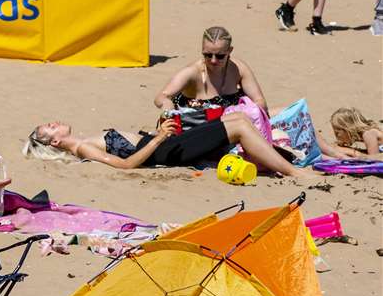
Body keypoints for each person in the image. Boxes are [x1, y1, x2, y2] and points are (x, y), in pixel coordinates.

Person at [24, 117, 318, 181]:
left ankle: (274, 166)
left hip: (164, 145)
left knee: (237, 121)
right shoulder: (85, 149)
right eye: (48, 128)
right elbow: (126, 166)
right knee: (238, 125)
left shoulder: (85, 140)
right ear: (54, 142)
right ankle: (294, 172)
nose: (52, 123)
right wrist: (157, 139)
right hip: (163, 151)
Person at [152, 25, 269, 117]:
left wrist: (246, 114)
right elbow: (161, 97)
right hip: (199, 127)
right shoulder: (192, 72)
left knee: (284, 112)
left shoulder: (238, 69)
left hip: (234, 124)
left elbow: (259, 101)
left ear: (230, 51)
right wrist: (167, 103)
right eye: (207, 55)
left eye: (220, 56)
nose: (213, 60)